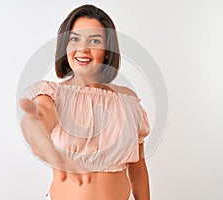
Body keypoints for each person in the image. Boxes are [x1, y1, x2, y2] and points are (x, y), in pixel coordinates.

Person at [19, 4, 151, 200]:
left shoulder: (128, 101)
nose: (83, 49)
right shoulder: (51, 94)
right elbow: (42, 115)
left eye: (95, 40)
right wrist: (34, 124)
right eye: (75, 39)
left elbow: (138, 168)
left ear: (107, 50)